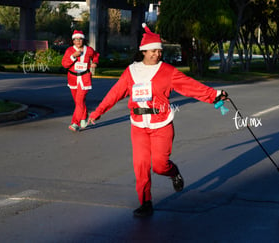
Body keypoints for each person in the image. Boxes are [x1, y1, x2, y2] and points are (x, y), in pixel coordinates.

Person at [88, 23, 228, 217]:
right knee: (141, 166)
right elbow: (115, 93)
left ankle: (173, 172)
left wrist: (215, 96)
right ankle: (145, 202)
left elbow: (191, 87)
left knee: (160, 165)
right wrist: (98, 111)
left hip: (161, 124)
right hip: (138, 126)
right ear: (144, 51)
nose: (157, 54)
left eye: (159, 51)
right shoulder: (131, 72)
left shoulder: (168, 71)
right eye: (153, 51)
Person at [62, 30, 99, 132]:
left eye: (80, 39)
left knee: (79, 101)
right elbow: (64, 64)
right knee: (78, 102)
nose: (78, 41)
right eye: (76, 39)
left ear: (83, 40)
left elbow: (96, 55)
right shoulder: (70, 50)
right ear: (73, 41)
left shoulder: (89, 50)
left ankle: (75, 123)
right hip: (73, 78)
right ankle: (84, 117)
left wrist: (95, 62)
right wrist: (73, 56)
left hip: (85, 78)